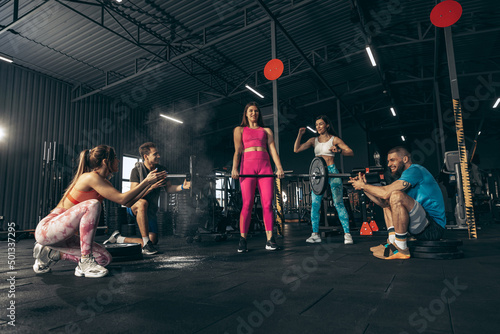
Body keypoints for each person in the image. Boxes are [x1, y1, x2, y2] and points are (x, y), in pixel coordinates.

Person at [33, 145, 166, 277]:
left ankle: (51, 253)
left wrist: (148, 185)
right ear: (105, 161)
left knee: (104, 259)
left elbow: (127, 202)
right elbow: (122, 198)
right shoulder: (90, 177)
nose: (118, 161)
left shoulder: (105, 183)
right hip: (48, 229)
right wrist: (146, 181)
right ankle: (85, 261)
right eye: (115, 158)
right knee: (93, 204)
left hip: (64, 235)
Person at [349, 146, 446, 260]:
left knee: (395, 195)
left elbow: (385, 192)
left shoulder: (415, 170)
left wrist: (364, 185)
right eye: (388, 161)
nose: (389, 164)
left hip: (433, 227)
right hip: (421, 224)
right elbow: (383, 203)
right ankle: (392, 243)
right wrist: (364, 188)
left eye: (392, 160)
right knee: (389, 200)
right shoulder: (405, 176)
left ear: (405, 159)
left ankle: (401, 248)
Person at [104, 142, 190, 255]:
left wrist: (183, 187)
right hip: (135, 205)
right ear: (146, 156)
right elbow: (133, 196)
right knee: (142, 203)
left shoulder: (162, 169)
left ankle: (119, 238)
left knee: (153, 240)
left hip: (151, 210)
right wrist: (150, 187)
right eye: (155, 154)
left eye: (158, 154)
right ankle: (146, 244)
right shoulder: (136, 171)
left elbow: (169, 189)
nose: (159, 156)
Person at [232, 102, 285, 253]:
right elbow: (238, 151)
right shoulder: (239, 130)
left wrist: (279, 167)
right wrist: (234, 168)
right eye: (250, 111)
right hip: (247, 167)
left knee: (268, 204)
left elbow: (273, 150)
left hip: (265, 167)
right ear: (246, 114)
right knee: (247, 204)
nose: (253, 113)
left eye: (256, 111)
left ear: (259, 114)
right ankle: (243, 240)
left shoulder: (266, 130)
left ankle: (270, 240)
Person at [294, 115, 354, 244]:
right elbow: (296, 149)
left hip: (332, 171)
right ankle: (315, 234)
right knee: (315, 204)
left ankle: (347, 234)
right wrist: (299, 135)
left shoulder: (334, 139)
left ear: (327, 125)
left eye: (321, 124)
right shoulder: (313, 140)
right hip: (318, 173)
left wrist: (338, 150)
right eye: (316, 125)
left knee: (338, 203)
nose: (318, 127)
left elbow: (350, 151)